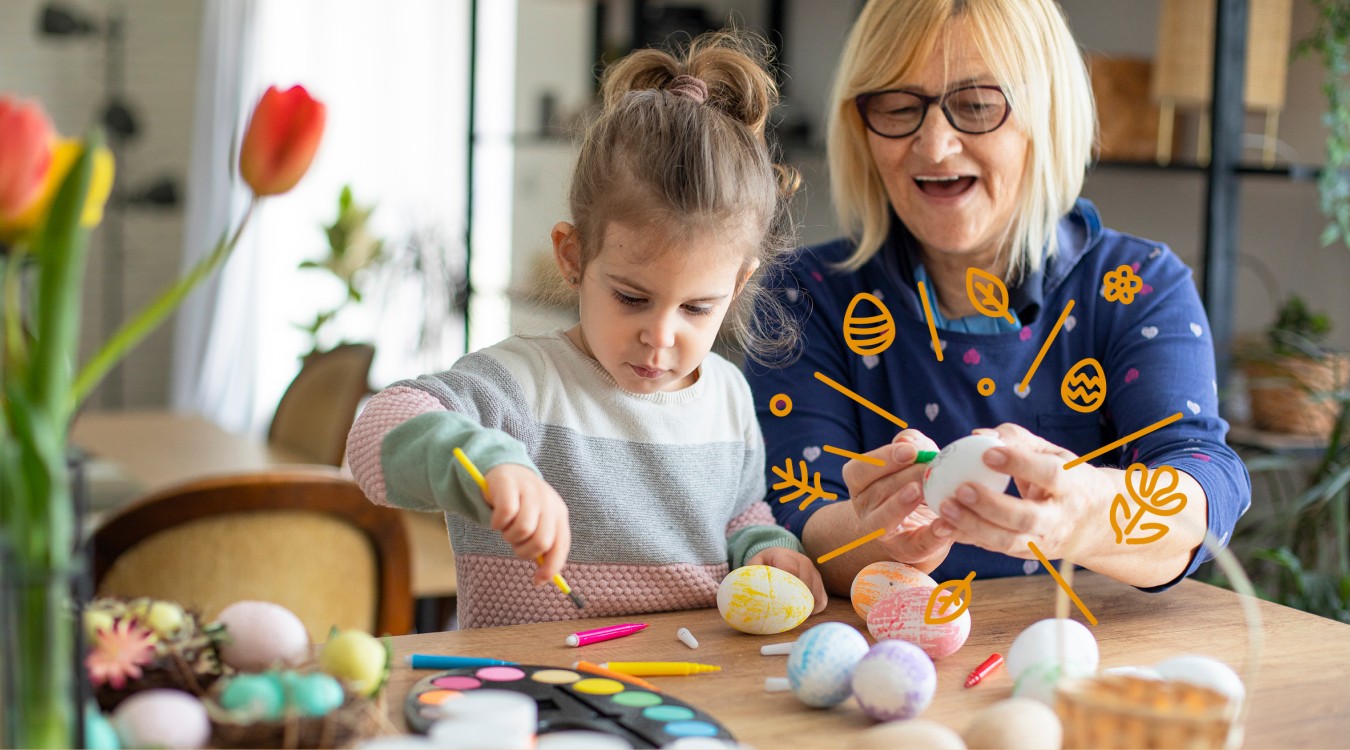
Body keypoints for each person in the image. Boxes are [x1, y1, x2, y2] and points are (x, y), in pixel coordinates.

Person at [745, 0, 1250, 596]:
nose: (935, 147)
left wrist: (1088, 513)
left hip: (1084, 647)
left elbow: (1205, 482)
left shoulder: (1136, 284)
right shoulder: (804, 296)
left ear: (1047, 115)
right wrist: (883, 535)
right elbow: (797, 516)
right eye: (897, 107)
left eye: (977, 105)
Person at [346, 31, 825, 628]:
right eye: (631, 297)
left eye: (697, 308)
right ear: (572, 257)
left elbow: (740, 513)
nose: (660, 335)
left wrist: (765, 547)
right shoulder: (521, 384)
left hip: (693, 671)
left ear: (739, 283)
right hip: (531, 675)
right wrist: (489, 465)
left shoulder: (727, 395)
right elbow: (374, 436)